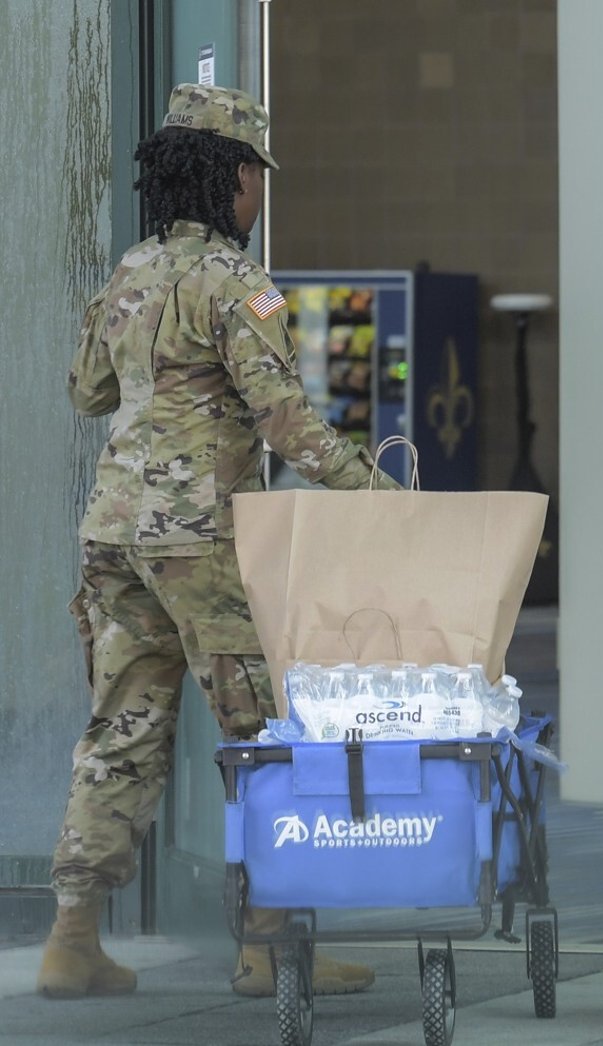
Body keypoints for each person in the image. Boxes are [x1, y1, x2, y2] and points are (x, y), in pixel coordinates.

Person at [38, 83, 401, 1001]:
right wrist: (379, 496)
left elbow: (85, 392)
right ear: (234, 176)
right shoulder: (239, 285)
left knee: (119, 730)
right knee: (260, 733)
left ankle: (72, 938)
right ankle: (266, 947)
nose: (260, 193)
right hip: (200, 540)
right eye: (256, 175)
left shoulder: (130, 273)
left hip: (114, 539)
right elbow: (288, 424)